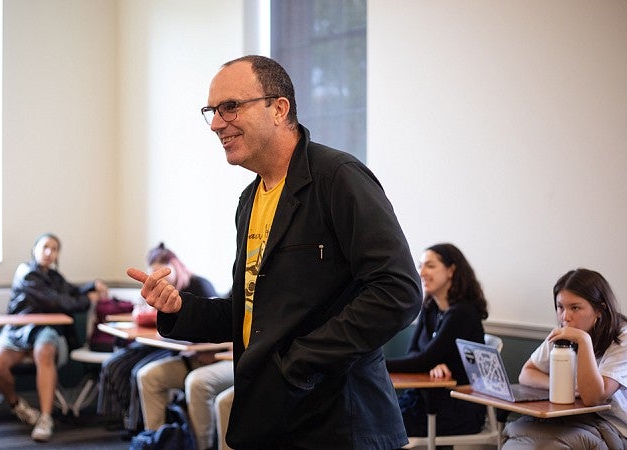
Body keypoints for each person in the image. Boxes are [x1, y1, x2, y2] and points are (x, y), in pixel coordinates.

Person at [127, 55, 421, 449]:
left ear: (279, 108)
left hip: (338, 423)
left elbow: (398, 292)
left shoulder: (338, 178)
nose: (216, 123)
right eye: (212, 111)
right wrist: (179, 308)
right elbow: (247, 312)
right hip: (269, 416)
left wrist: (301, 360)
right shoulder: (249, 200)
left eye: (230, 106)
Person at [0, 232, 107, 442]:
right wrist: (87, 301)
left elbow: (71, 290)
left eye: (55, 248)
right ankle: (18, 406)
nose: (49, 252)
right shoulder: (25, 272)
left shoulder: (54, 277)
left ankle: (45, 417)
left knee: (45, 350)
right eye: (45, 247)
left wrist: (93, 285)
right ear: (34, 249)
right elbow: (55, 302)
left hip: (44, 330)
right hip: (17, 330)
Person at [97, 242, 217, 437]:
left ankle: (143, 427)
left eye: (163, 272)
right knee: (115, 364)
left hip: (190, 351)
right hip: (168, 343)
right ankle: (137, 426)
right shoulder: (164, 292)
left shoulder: (199, 286)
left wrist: (210, 347)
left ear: (175, 266)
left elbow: (215, 325)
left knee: (138, 371)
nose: (161, 279)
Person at [502, 268, 627, 449]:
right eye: (560, 307)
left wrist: (583, 341)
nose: (565, 317)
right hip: (569, 417)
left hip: (612, 425)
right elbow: (527, 373)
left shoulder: (622, 337)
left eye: (575, 308)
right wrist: (562, 385)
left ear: (600, 309)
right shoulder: (563, 332)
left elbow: (594, 398)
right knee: (517, 435)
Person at [386, 243, 488, 436]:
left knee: (376, 423)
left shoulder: (462, 313)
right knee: (372, 417)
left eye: (430, 266)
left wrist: (376, 364)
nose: (422, 272)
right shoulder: (430, 307)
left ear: (451, 271)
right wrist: (430, 362)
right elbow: (415, 354)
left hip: (457, 407)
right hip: (425, 399)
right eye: (420, 266)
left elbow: (423, 359)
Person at [137, 341, 233, 450]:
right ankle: (158, 442)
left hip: (235, 356)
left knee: (197, 383)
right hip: (202, 351)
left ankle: (202, 446)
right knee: (149, 376)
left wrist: (221, 347)